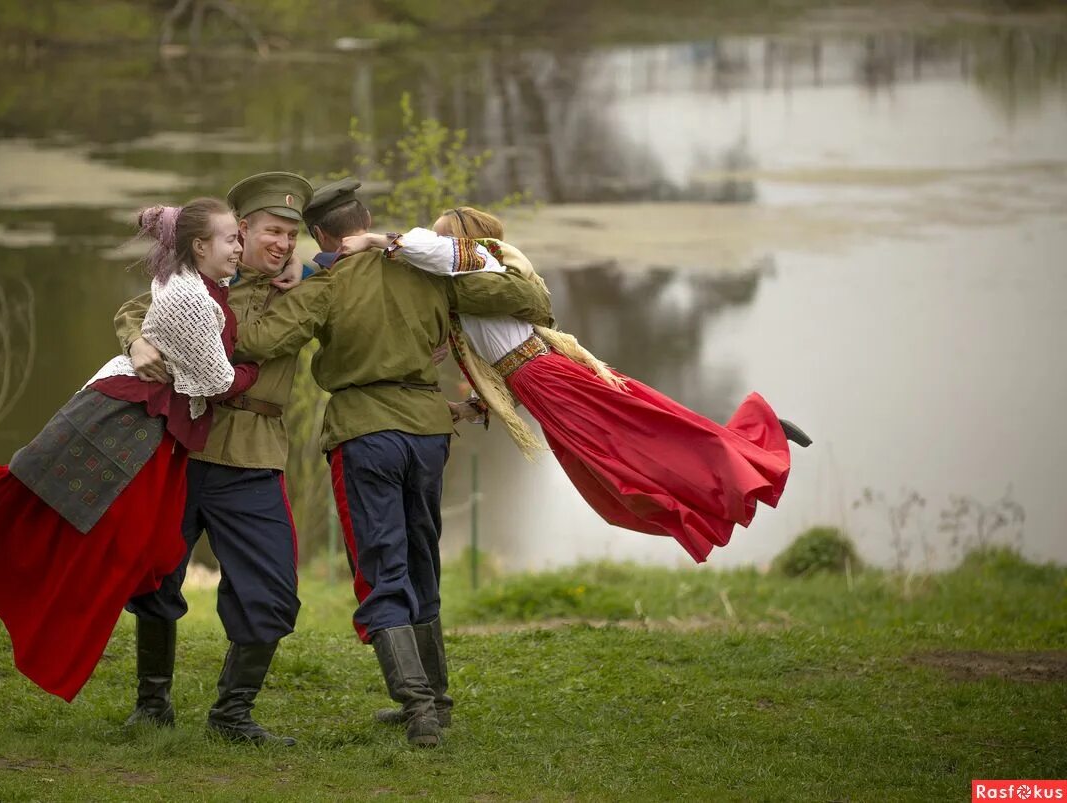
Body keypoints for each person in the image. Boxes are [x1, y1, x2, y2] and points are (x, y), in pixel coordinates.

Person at [0, 197, 260, 702]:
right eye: (230, 239)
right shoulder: (191, 298)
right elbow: (217, 380)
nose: (239, 246)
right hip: (128, 421)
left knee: (145, 547)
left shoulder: (200, 282)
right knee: (104, 535)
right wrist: (255, 373)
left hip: (153, 424)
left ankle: (99, 663)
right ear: (199, 245)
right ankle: (37, 611)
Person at [233, 179, 554, 748]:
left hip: (365, 433)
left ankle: (419, 707)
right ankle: (437, 698)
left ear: (319, 236)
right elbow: (527, 299)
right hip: (429, 432)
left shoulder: (326, 284)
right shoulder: (424, 269)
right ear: (369, 218)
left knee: (382, 567)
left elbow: (256, 343)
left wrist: (258, 282)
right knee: (420, 558)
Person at [339, 206, 811, 565]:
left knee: (637, 441)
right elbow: (486, 367)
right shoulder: (462, 293)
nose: (433, 239)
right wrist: (471, 410)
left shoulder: (479, 259)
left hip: (548, 376)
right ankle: (731, 464)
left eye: (444, 233)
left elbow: (432, 251)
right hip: (539, 383)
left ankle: (753, 444)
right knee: (624, 456)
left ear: (464, 239)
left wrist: (372, 242)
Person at [113, 172, 312, 746]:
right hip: (177, 450)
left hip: (251, 455)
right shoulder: (197, 277)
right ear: (241, 230)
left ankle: (232, 713)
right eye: (273, 231)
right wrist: (138, 342)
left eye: (292, 234)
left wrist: (317, 265)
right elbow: (136, 308)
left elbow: (354, 277)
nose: (283, 243)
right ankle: (152, 705)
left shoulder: (301, 286)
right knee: (154, 573)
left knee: (272, 588)